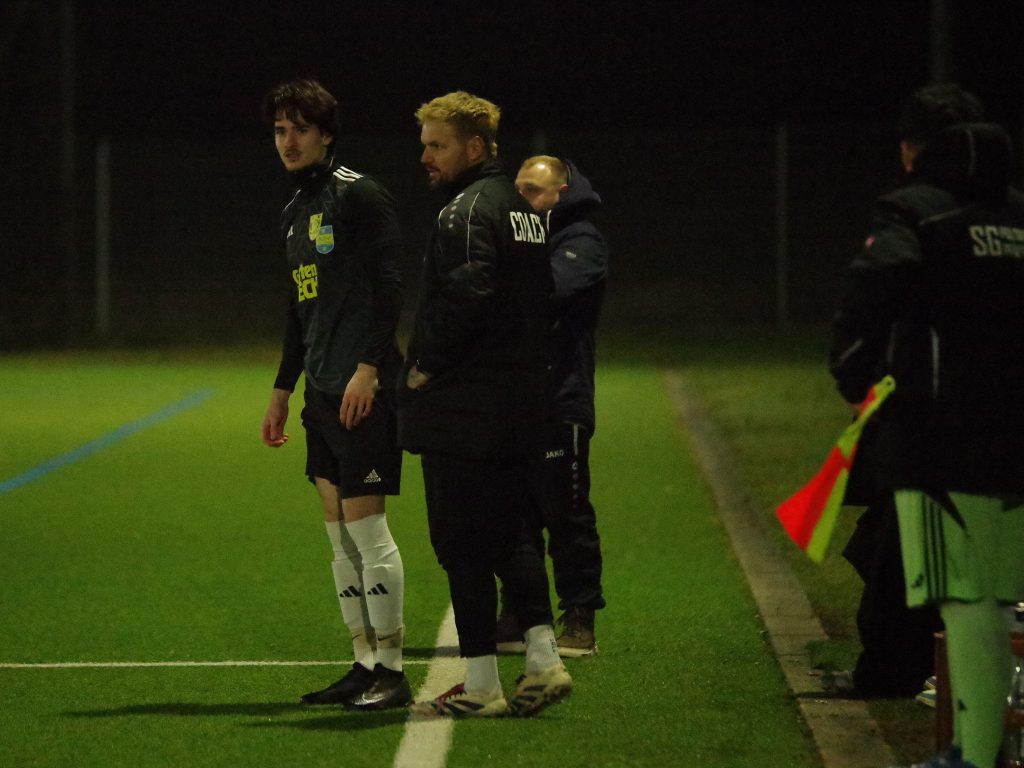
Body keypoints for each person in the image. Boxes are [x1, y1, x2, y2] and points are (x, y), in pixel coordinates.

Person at [829, 82, 1024, 768]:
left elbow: (870, 296)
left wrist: (856, 377)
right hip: (1014, 438)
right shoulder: (1016, 215)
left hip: (942, 439)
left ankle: (977, 753)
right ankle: (987, 747)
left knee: (963, 599)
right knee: (1001, 597)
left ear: (912, 149)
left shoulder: (914, 211)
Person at [397, 91, 572, 717]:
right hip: (519, 400)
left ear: (474, 147)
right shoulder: (522, 210)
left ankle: (480, 686)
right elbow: (542, 300)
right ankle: (544, 661)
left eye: (437, 145)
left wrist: (424, 368)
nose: (426, 157)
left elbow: (467, 294)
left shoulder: (466, 210)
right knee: (513, 533)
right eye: (424, 144)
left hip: (466, 408)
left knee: (461, 542)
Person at [260, 78, 411, 711]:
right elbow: (300, 311)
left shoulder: (359, 194)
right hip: (321, 395)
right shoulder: (294, 212)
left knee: (368, 532)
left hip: (361, 390)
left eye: (299, 129)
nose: (287, 141)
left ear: (326, 134)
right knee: (339, 540)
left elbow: (391, 287)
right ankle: (362, 662)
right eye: (279, 130)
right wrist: (282, 388)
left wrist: (369, 367)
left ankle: (393, 673)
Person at [494, 155, 608, 657]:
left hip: (561, 401)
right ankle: (519, 613)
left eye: (532, 190)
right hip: (515, 402)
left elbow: (545, 293)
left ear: (560, 193)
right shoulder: (520, 238)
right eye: (517, 188)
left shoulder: (582, 240)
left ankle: (580, 616)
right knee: (513, 513)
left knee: (566, 514)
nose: (521, 198)